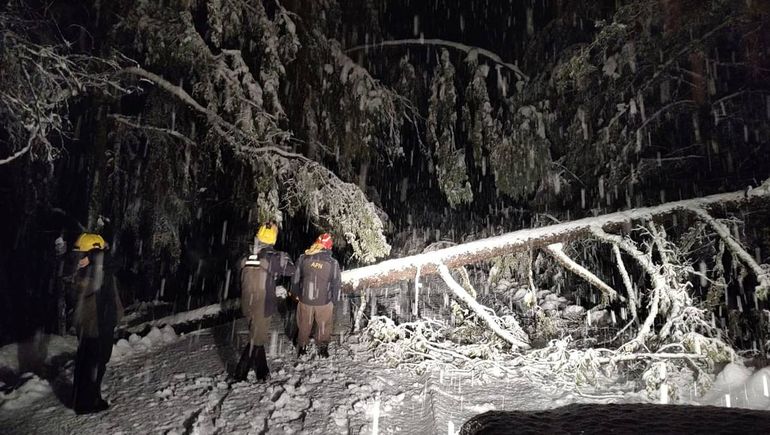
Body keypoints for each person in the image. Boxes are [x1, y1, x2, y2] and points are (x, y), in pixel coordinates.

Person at [70, 233, 123, 414]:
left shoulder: (90, 268)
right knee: (95, 363)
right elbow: (115, 262)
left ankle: (84, 399)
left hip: (92, 321)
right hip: (97, 322)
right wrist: (96, 255)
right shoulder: (93, 269)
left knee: (88, 362)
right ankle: (87, 402)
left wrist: (96, 254)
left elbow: (112, 262)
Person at [234, 222, 295, 381]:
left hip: (247, 304)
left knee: (256, 337)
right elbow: (291, 270)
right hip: (262, 305)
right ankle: (240, 374)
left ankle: (263, 373)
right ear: (273, 239)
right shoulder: (272, 257)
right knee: (257, 339)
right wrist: (285, 257)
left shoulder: (246, 256)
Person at [293, 233, 341, 358]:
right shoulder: (332, 262)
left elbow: (295, 278)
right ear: (329, 247)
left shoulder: (304, 258)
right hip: (324, 301)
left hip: (305, 299)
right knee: (324, 325)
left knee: (304, 324)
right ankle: (323, 349)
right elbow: (336, 283)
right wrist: (334, 301)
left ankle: (302, 348)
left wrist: (296, 294)